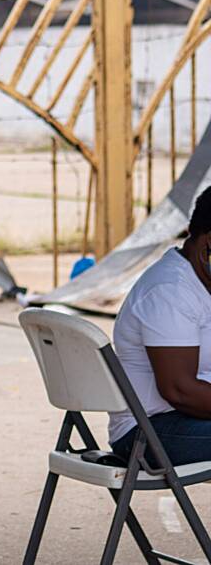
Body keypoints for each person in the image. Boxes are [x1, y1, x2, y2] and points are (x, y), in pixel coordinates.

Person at [109, 185, 211, 466]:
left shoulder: (202, 281)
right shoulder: (169, 291)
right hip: (150, 432)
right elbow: (179, 391)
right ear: (206, 245)